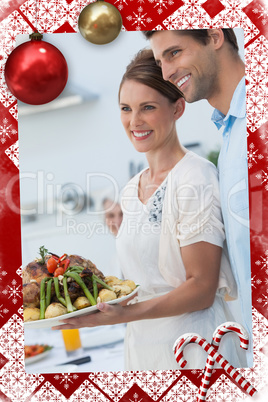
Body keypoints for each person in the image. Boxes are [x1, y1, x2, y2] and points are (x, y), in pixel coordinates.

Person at [53, 49, 246, 370]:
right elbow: (140, 275)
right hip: (144, 352)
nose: (134, 121)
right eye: (126, 109)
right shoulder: (131, 191)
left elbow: (201, 287)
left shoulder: (195, 177)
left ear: (178, 108)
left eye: (148, 108)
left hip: (197, 350)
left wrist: (122, 315)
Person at [143, 28, 252, 364]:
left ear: (214, 35)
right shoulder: (231, 131)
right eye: (160, 61)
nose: (167, 72)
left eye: (174, 53)